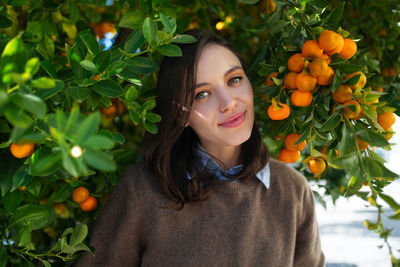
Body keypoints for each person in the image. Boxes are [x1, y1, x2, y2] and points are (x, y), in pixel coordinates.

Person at [73, 29, 325, 266]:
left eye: (234, 80)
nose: (228, 103)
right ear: (181, 114)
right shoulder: (142, 190)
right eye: (201, 94)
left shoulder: (292, 190)